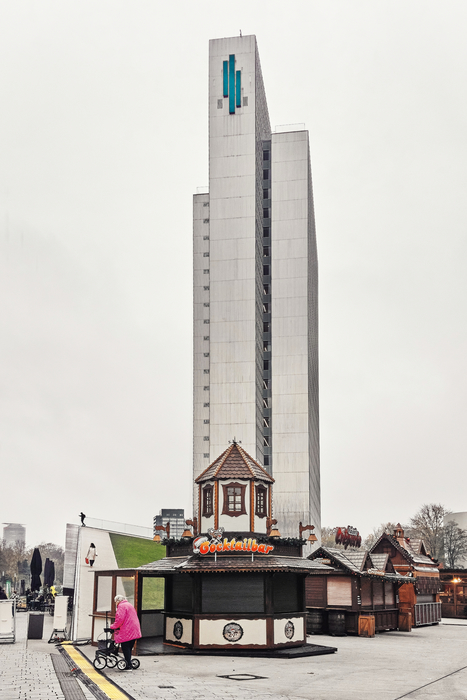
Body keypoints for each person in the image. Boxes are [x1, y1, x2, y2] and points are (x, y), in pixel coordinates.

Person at [110, 595, 142, 669]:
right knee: (129, 647)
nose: (115, 604)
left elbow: (119, 620)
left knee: (125, 647)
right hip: (134, 629)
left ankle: (128, 665)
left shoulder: (121, 606)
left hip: (127, 630)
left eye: (115, 602)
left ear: (118, 601)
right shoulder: (129, 605)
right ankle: (129, 661)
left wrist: (112, 626)